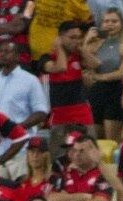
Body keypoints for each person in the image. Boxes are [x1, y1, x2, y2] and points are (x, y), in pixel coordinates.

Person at [0, 43, 51, 182]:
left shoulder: (30, 80)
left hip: (21, 148)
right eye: (0, 51)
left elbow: (41, 112)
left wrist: (16, 129)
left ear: (17, 57)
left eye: (7, 52)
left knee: (21, 188)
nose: (2, 54)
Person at [40, 21, 97, 155]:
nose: (76, 41)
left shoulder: (79, 56)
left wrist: (82, 48)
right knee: (59, 155)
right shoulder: (46, 58)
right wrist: (59, 49)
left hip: (82, 111)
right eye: (72, 37)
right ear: (60, 38)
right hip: (60, 113)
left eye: (79, 37)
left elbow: (95, 64)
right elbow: (61, 67)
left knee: (91, 152)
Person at [83, 9, 123, 141]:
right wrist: (86, 41)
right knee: (95, 139)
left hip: (116, 92)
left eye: (114, 21)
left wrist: (98, 77)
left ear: (122, 24)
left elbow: (122, 72)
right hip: (96, 93)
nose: (110, 24)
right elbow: (86, 64)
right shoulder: (94, 43)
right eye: (106, 21)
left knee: (111, 141)